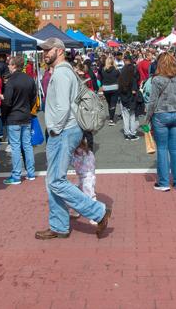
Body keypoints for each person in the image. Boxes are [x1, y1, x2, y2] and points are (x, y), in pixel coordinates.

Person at [36, 37, 111, 240]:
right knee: (53, 180)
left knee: (56, 181)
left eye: (48, 50)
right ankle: (59, 225)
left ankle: (98, 211)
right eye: (43, 50)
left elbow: (62, 107)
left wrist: (54, 129)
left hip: (63, 131)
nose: (45, 53)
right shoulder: (64, 71)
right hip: (66, 130)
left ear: (59, 51)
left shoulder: (61, 74)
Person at [146, 52, 176, 192]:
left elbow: (152, 101)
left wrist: (147, 119)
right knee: (175, 149)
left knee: (162, 149)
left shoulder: (157, 80)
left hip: (161, 114)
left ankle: (163, 182)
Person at [1, 55, 37, 185]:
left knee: (16, 146)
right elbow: (34, 97)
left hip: (13, 116)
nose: (8, 66)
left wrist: (4, 116)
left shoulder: (11, 81)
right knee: (27, 145)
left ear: (14, 65)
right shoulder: (29, 79)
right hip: (25, 115)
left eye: (10, 64)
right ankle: (31, 172)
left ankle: (16, 175)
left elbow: (7, 102)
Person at [69, 136, 98, 225]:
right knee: (78, 193)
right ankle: (75, 211)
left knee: (90, 196)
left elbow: (75, 164)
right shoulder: (88, 151)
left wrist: (69, 158)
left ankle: (96, 216)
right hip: (87, 176)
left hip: (86, 178)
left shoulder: (78, 153)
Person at [118, 55, 140, 140]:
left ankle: (127, 133)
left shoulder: (123, 70)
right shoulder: (133, 69)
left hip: (124, 95)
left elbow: (120, 84)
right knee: (132, 115)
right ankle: (132, 133)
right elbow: (136, 80)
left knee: (126, 116)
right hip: (131, 95)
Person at [99, 56, 120, 125]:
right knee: (113, 103)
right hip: (114, 88)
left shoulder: (103, 70)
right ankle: (111, 119)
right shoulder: (116, 70)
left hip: (106, 88)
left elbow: (101, 78)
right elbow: (119, 78)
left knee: (109, 103)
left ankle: (111, 117)